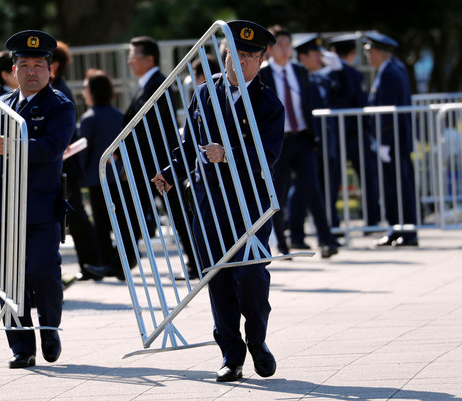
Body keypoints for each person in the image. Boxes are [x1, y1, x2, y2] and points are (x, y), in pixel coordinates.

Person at [152, 20, 283, 382]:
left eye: (248, 57)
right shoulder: (205, 92)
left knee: (252, 273)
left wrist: (227, 155)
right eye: (233, 55)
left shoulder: (268, 103)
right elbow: (189, 142)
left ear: (261, 61)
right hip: (209, 201)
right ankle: (231, 353)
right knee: (218, 277)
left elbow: (265, 156)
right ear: (224, 55)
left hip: (249, 205)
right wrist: (170, 171)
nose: (239, 63)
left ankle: (257, 342)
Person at [0, 30, 75, 368]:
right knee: (6, 278)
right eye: (24, 64)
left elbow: (52, 148)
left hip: (39, 206)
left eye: (38, 65)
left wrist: (14, 147)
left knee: (43, 271)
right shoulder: (3, 104)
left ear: (50, 70)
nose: (31, 71)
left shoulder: (60, 105)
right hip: (1, 205)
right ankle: (21, 346)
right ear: (13, 70)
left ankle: (48, 327)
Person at [85, 36, 198, 280]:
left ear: (149, 59)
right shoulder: (146, 84)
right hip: (148, 164)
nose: (129, 61)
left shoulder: (159, 84)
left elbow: (155, 129)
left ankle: (197, 261)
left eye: (133, 56)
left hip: (158, 164)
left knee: (174, 213)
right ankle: (121, 262)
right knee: (142, 214)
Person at [258, 27, 339, 258]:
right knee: (279, 193)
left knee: (313, 189)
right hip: (278, 142)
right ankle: (281, 242)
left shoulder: (299, 71)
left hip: (302, 137)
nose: (285, 50)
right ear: (271, 49)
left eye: (287, 44)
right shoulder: (264, 75)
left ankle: (326, 240)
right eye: (280, 45)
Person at [51, 40, 100, 281]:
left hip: (68, 165)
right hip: (68, 165)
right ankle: (91, 262)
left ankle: (92, 262)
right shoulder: (56, 87)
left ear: (54, 65)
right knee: (76, 214)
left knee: (77, 214)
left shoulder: (58, 90)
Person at [364, 32, 419, 246]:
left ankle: (407, 232)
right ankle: (397, 229)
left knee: (398, 186)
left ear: (377, 52)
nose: (368, 56)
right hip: (397, 139)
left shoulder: (388, 73)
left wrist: (384, 142)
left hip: (393, 140)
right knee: (395, 186)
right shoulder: (395, 68)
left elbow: (387, 111)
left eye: (369, 52)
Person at [288, 35, 342, 247]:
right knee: (301, 191)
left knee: (324, 190)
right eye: (315, 54)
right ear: (303, 57)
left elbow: (345, 93)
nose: (320, 58)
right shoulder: (299, 81)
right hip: (308, 143)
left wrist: (339, 69)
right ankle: (296, 236)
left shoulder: (322, 78)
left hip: (325, 144)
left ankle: (328, 232)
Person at [329, 34, 380, 228]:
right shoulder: (354, 75)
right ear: (352, 53)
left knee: (333, 179)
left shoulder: (327, 74)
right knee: (366, 178)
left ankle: (333, 223)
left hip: (337, 135)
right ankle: (372, 220)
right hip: (356, 135)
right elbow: (362, 104)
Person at [78, 69, 124, 270]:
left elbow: (82, 153)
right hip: (119, 177)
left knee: (101, 224)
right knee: (120, 222)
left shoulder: (89, 118)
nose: (82, 92)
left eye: (85, 87)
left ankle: (105, 262)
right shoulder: (120, 115)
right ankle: (122, 261)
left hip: (96, 179)